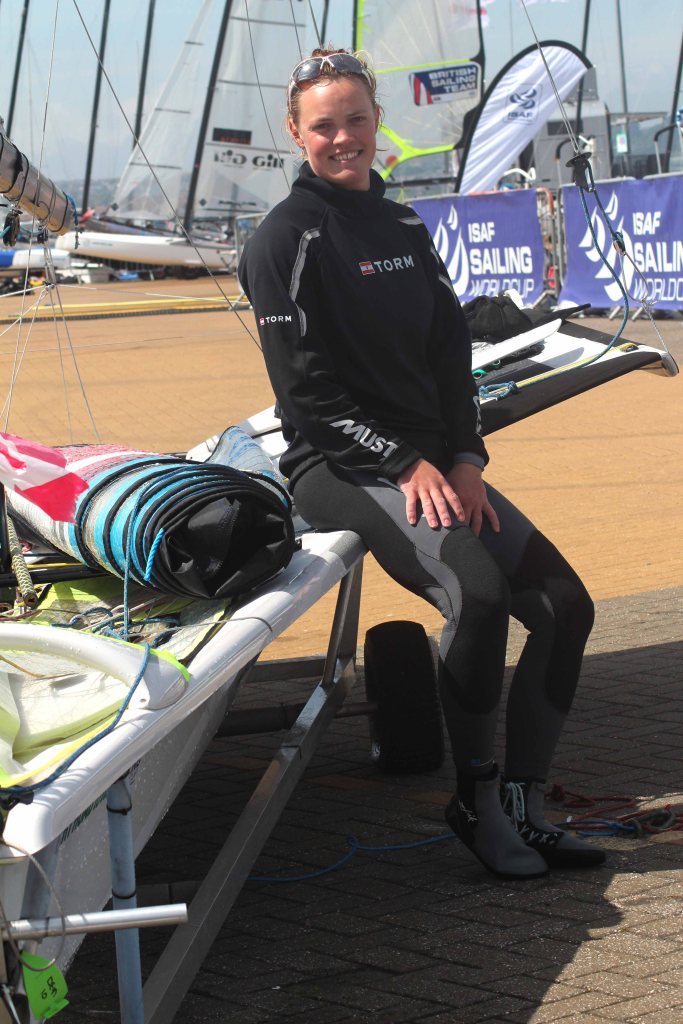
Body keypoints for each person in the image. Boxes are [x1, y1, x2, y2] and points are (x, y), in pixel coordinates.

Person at [238, 48, 604, 879]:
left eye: (356, 119)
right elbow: (306, 396)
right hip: (338, 466)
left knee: (563, 607)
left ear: (377, 123)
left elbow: (447, 357)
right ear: (295, 133)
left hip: (432, 461)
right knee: (477, 595)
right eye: (323, 126)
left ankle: (527, 805)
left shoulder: (402, 226)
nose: (343, 138)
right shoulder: (284, 239)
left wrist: (465, 456)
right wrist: (407, 466)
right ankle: (475, 804)